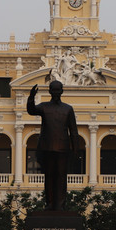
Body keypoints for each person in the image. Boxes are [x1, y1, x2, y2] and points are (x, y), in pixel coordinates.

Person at [26, 80, 80, 211]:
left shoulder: (68, 109)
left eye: (58, 90)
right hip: (47, 147)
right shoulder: (44, 107)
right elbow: (31, 110)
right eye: (53, 90)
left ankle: (60, 205)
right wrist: (31, 97)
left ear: (62, 91)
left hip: (62, 148)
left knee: (61, 177)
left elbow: (73, 130)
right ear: (50, 91)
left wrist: (76, 149)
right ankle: (50, 203)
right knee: (49, 176)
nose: (56, 93)